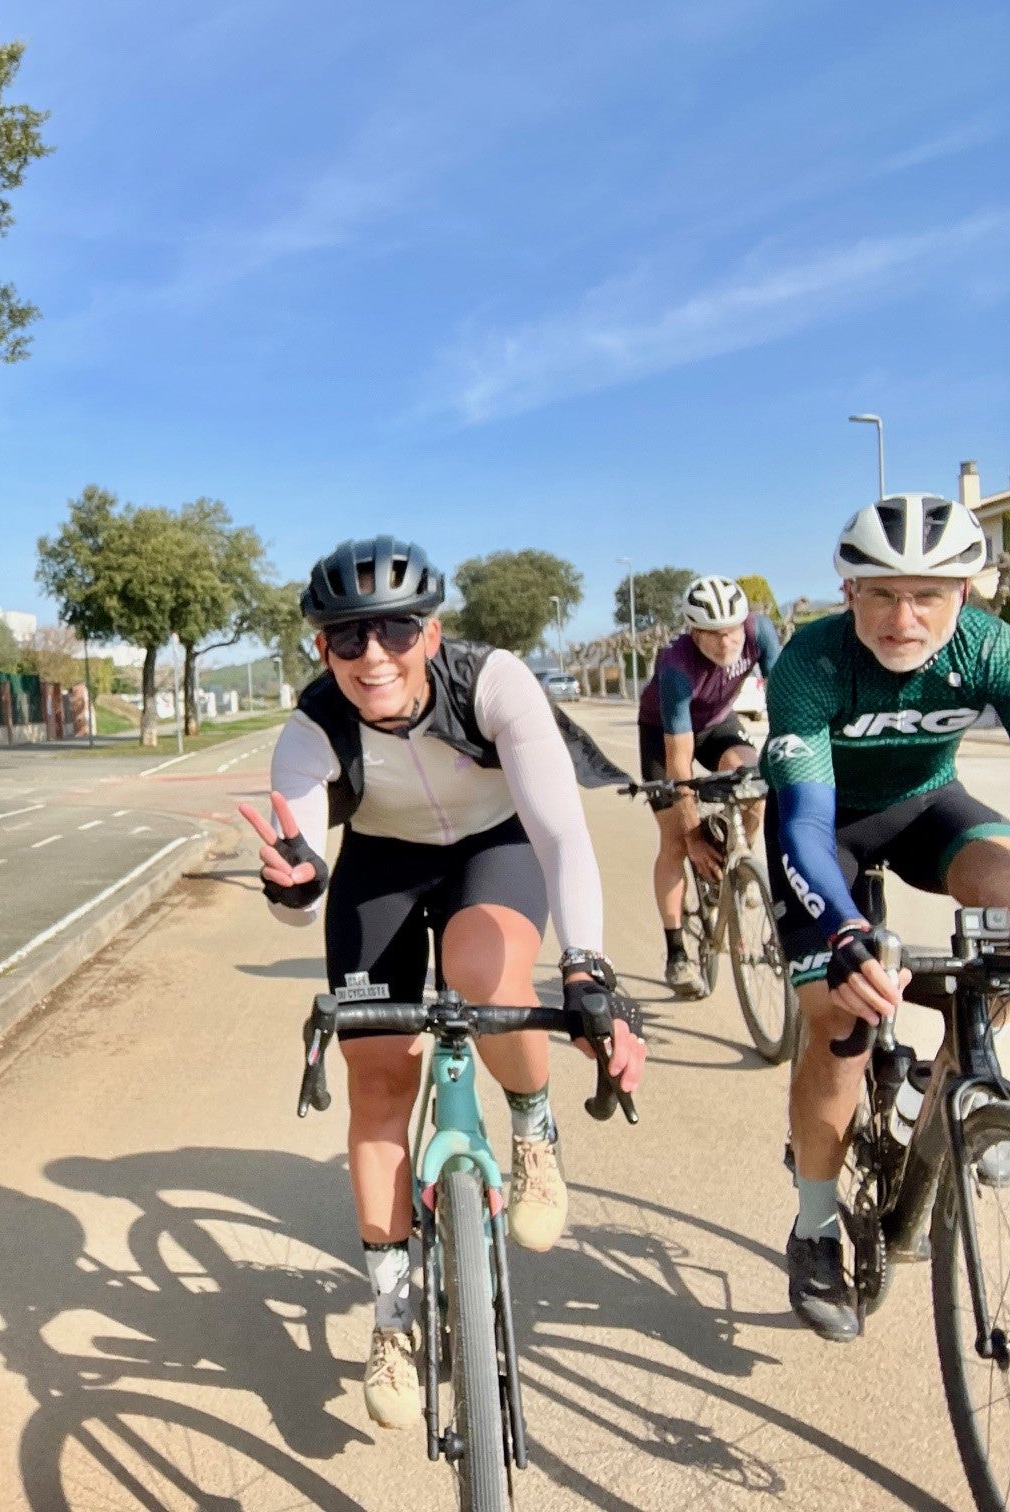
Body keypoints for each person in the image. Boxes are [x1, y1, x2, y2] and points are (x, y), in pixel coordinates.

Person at [237, 536, 646, 1432]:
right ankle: (391, 1317)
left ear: (432, 631)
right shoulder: (312, 729)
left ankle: (532, 1129)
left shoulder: (493, 682)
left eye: (395, 630)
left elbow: (561, 836)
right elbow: (301, 887)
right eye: (348, 638)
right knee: (378, 1073)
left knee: (481, 970)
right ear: (322, 648)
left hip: (493, 848)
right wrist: (293, 887)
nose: (373, 654)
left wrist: (587, 965)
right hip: (381, 865)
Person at [765, 493, 1010, 1343]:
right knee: (844, 1015)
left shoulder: (990, 651)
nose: (904, 618)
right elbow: (799, 819)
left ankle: (960, 1071)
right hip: (822, 826)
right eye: (881, 595)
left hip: (928, 807)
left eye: (928, 597)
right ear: (849, 594)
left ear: (965, 598)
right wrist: (841, 934)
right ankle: (814, 1225)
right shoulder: (811, 662)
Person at [635, 576, 782, 996]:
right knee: (676, 844)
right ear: (693, 632)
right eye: (714, 636)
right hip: (664, 736)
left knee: (754, 784)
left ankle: (740, 861)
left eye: (732, 630)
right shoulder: (676, 665)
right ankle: (677, 951)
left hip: (718, 725)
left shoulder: (760, 631)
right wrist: (694, 830)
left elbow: (786, 699)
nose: (726, 643)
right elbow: (679, 759)